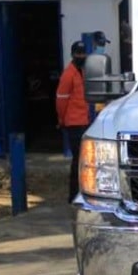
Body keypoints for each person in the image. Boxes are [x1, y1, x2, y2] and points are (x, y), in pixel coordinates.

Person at [56, 41, 91, 202]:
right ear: (72, 54)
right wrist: (62, 119)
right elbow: (61, 100)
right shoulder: (69, 74)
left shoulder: (81, 72)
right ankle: (73, 195)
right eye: (78, 53)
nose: (81, 56)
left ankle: (80, 193)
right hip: (73, 123)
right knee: (78, 160)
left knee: (83, 160)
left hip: (83, 121)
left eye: (83, 53)